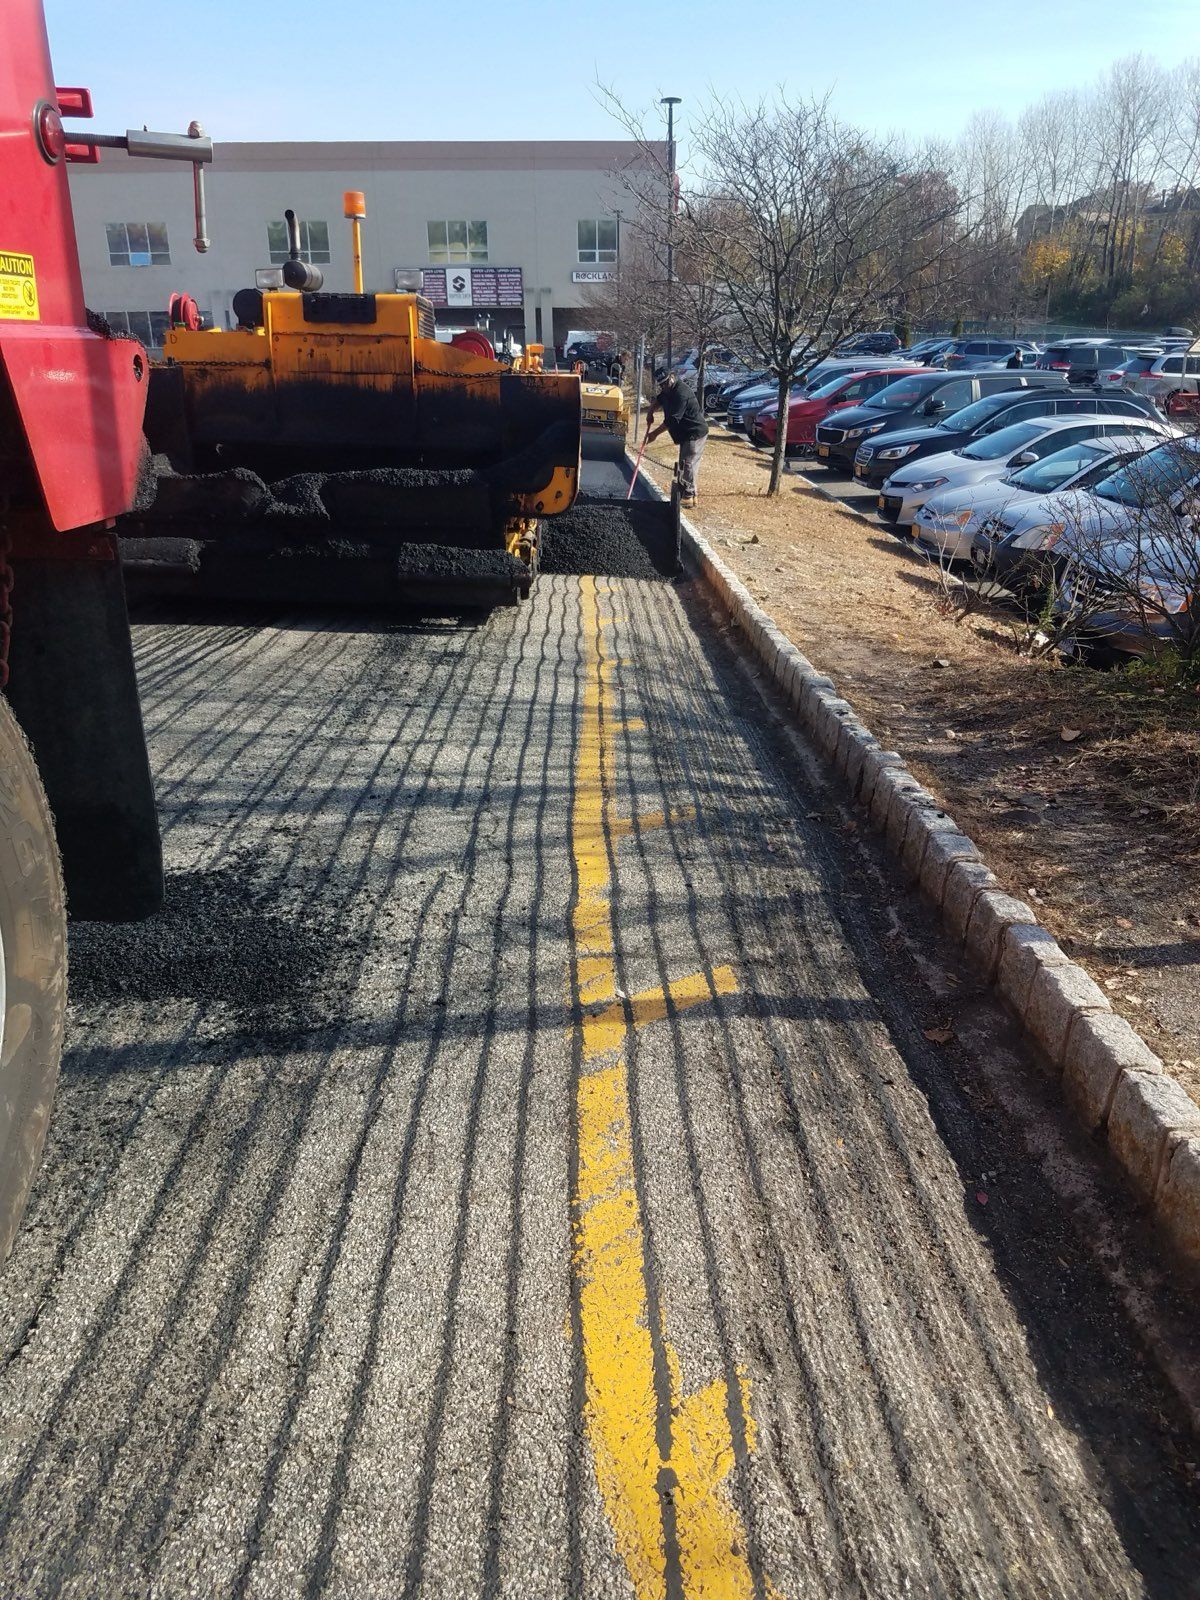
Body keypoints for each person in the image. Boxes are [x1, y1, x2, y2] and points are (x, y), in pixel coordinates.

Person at [645, 367, 709, 508]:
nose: (664, 387)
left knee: (688, 462)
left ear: (672, 377)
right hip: (684, 433)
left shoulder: (681, 393)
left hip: (694, 432)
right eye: (661, 384)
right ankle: (687, 494)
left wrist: (654, 434)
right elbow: (659, 399)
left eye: (666, 383)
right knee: (684, 463)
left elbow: (672, 421)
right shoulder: (667, 391)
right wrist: (650, 412)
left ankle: (689, 496)